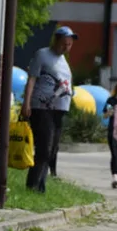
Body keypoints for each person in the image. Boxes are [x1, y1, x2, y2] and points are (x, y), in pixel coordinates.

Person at [22, 26, 76, 193]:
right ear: (56, 39)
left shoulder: (63, 61)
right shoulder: (42, 54)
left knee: (52, 149)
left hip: (59, 109)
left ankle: (40, 186)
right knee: (44, 147)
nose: (67, 47)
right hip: (42, 107)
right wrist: (27, 103)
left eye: (69, 44)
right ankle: (32, 185)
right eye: (64, 43)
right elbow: (32, 79)